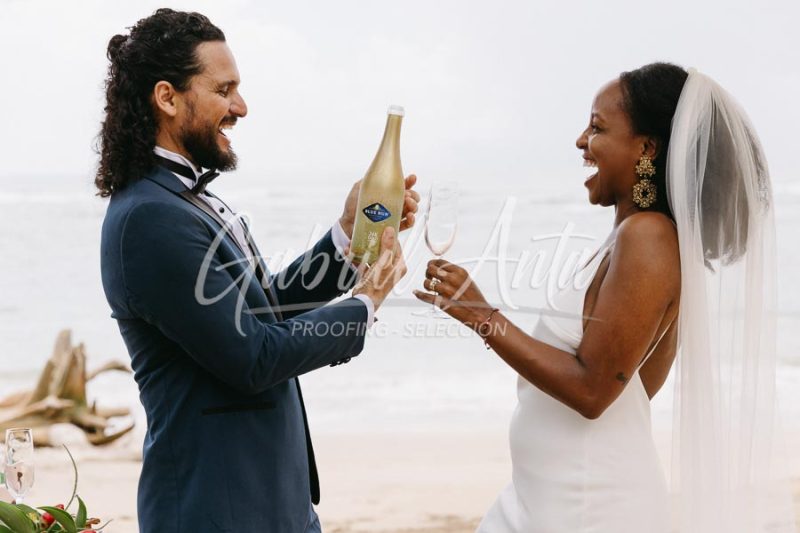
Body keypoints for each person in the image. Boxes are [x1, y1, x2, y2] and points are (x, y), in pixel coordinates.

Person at [415, 63, 796, 532]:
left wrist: (481, 315)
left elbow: (596, 392)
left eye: (597, 128)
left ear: (647, 148)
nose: (581, 141)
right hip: (550, 495)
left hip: (589, 507)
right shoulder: (629, 240)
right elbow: (637, 388)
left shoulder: (650, 238)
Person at [97, 9, 417, 532]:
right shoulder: (149, 219)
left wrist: (346, 234)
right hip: (216, 512)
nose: (240, 107)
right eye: (224, 90)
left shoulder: (185, 202)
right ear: (167, 97)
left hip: (275, 504)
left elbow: (269, 307)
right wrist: (365, 304)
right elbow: (253, 356)